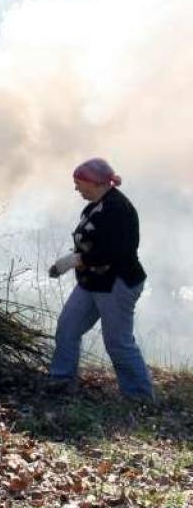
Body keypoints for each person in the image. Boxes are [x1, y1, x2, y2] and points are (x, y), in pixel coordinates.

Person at [47, 158, 153, 400]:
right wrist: (72, 261)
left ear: (94, 183)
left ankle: (140, 398)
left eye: (79, 183)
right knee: (68, 327)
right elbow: (87, 242)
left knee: (117, 342)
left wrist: (73, 261)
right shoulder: (94, 206)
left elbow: (116, 252)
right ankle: (61, 380)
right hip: (92, 282)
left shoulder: (118, 209)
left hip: (117, 283)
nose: (77, 189)